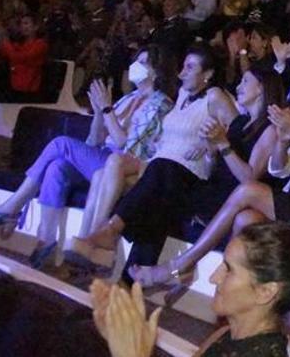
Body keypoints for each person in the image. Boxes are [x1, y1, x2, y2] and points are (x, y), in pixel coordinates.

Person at [129, 68, 290, 292]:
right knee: (246, 219)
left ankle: (183, 264)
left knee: (248, 190)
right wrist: (282, 140)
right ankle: (232, 291)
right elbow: (280, 170)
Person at [0, 46, 174, 268]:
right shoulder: (129, 98)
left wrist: (107, 109)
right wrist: (99, 112)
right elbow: (93, 141)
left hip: (124, 166)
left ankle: (12, 206)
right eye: (136, 60)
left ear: (157, 70)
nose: (136, 66)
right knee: (57, 166)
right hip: (102, 159)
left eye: (144, 61)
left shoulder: (160, 103)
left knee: (60, 144)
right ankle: (46, 243)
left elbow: (125, 145)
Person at [70, 46, 239, 273]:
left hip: (187, 173)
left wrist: (210, 144)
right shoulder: (181, 95)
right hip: (159, 166)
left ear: (207, 74)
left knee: (156, 187)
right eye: (183, 67)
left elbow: (239, 129)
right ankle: (101, 239)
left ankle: (108, 233)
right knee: (111, 167)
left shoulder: (215, 96)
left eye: (190, 67)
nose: (182, 73)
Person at [128, 67, 286, 291]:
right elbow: (216, 166)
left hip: (232, 199)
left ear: (261, 88)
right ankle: (136, 269)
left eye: (245, 81)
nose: (238, 87)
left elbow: (249, 179)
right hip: (214, 189)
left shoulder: (269, 129)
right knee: (163, 175)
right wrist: (210, 149)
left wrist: (222, 145)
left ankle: (168, 269)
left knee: (166, 185)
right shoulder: (240, 123)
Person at [90, 221, 290, 357]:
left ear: (266, 291)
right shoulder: (226, 335)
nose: (213, 278)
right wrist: (120, 335)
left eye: (228, 269)